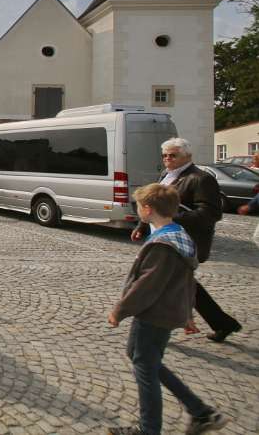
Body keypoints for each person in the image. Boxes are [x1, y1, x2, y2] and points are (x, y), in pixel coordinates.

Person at [107, 184, 228, 435]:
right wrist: (187, 314)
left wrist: (119, 310)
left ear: (148, 210)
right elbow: (185, 281)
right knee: (143, 358)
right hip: (169, 311)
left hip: (154, 314)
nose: (137, 210)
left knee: (145, 367)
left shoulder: (162, 244)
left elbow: (146, 286)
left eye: (138, 206)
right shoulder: (180, 234)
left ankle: (149, 429)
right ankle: (201, 412)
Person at [131, 138, 242, 342]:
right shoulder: (166, 175)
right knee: (184, 284)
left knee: (157, 281)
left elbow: (211, 213)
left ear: (187, 156)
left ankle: (153, 331)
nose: (167, 159)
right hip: (163, 238)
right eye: (164, 155)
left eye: (173, 155)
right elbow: (154, 204)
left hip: (183, 241)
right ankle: (223, 323)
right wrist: (142, 225)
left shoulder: (201, 179)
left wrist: (171, 218)